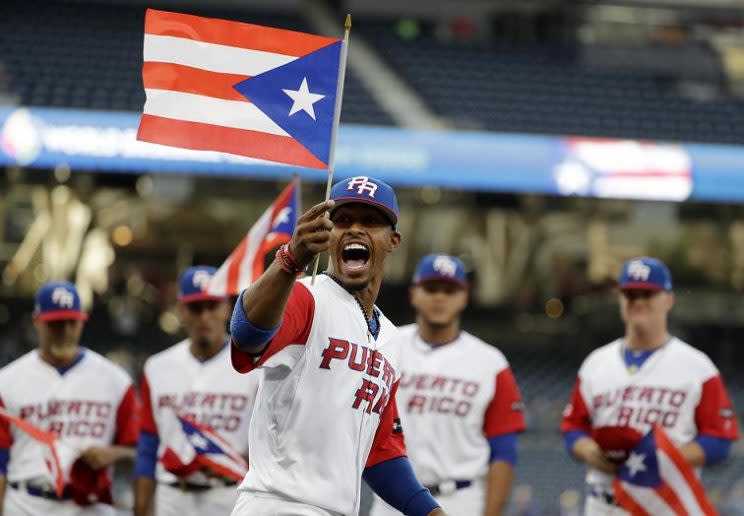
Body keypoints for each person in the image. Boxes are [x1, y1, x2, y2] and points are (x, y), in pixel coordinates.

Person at [229, 176, 446, 516]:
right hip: (279, 505)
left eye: (370, 222)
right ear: (327, 233)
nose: (355, 229)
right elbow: (246, 334)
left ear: (393, 240)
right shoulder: (306, 296)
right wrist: (290, 259)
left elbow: (380, 453)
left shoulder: (391, 337)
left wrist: (430, 512)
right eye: (342, 220)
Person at [560, 257, 740, 515]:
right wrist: (590, 452)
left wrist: (663, 460)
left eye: (648, 293)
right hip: (603, 503)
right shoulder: (595, 363)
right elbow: (573, 427)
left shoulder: (698, 367)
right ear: (620, 300)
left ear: (668, 299)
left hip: (663, 504)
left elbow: (719, 441)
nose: (639, 301)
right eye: (631, 294)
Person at [371, 254, 526, 516]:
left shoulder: (490, 362)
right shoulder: (386, 344)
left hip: (461, 500)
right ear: (414, 294)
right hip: (392, 497)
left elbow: (504, 451)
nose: (439, 297)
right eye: (431, 289)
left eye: (449, 290)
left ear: (464, 297)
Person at [0, 281, 139, 515]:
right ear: (38, 321)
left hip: (91, 505)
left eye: (71, 322)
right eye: (55, 323)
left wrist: (113, 454)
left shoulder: (116, 380)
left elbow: (141, 452)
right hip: (26, 504)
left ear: (82, 321)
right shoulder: (6, 381)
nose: (64, 330)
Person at [134, 266, 258, 516]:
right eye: (196, 308)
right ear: (181, 311)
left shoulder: (255, 367)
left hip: (231, 494)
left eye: (212, 306)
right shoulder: (157, 366)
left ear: (227, 308)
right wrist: (141, 507)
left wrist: (237, 461)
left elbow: (271, 442)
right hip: (171, 496)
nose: (204, 317)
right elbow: (149, 442)